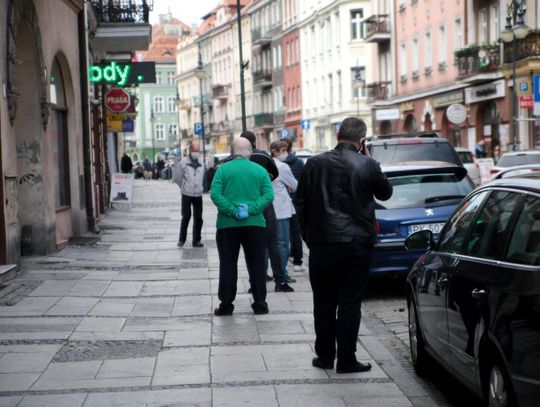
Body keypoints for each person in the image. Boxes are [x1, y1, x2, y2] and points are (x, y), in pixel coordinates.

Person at [294, 117, 393, 373]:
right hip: (356, 243)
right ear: (361, 141)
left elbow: (300, 203)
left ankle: (325, 356)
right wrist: (370, 161)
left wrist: (310, 236)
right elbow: (385, 193)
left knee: (324, 302)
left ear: (337, 135)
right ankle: (347, 358)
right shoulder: (368, 164)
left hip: (322, 243)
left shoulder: (314, 163)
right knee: (350, 302)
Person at [211, 137, 275, 315]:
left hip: (227, 225)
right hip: (255, 223)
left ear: (232, 152)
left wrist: (232, 210)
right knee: (256, 264)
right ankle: (260, 303)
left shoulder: (222, 170)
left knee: (228, 264)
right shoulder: (260, 170)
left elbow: (215, 194)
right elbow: (269, 195)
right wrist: (252, 209)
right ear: (250, 152)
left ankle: (226, 305)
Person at [240, 131, 294, 291]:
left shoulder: (237, 159)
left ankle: (255, 282)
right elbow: (274, 174)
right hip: (265, 205)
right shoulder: (263, 156)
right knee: (273, 244)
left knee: (253, 247)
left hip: (248, 204)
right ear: (254, 141)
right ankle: (280, 281)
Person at [270, 140, 298, 285]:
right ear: (275, 151)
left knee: (268, 244)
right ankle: (282, 274)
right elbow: (294, 185)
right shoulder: (282, 167)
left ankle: (268, 273)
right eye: (283, 150)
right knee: (283, 244)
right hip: (281, 210)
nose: (286, 153)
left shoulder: (265, 165)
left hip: (268, 210)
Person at [173, 144, 205, 248]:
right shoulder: (183, 163)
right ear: (190, 151)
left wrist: (201, 187)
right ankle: (182, 239)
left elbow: (203, 176)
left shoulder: (202, 163)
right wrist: (183, 187)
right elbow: (177, 177)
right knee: (186, 216)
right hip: (187, 193)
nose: (196, 153)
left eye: (198, 151)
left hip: (198, 194)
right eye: (195, 150)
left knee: (199, 218)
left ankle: (196, 240)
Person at [282, 137, 305, 272]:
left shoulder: (276, 164)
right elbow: (302, 182)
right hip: (296, 200)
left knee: (282, 233)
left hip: (281, 201)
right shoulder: (299, 163)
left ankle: (283, 262)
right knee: (296, 232)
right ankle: (298, 260)